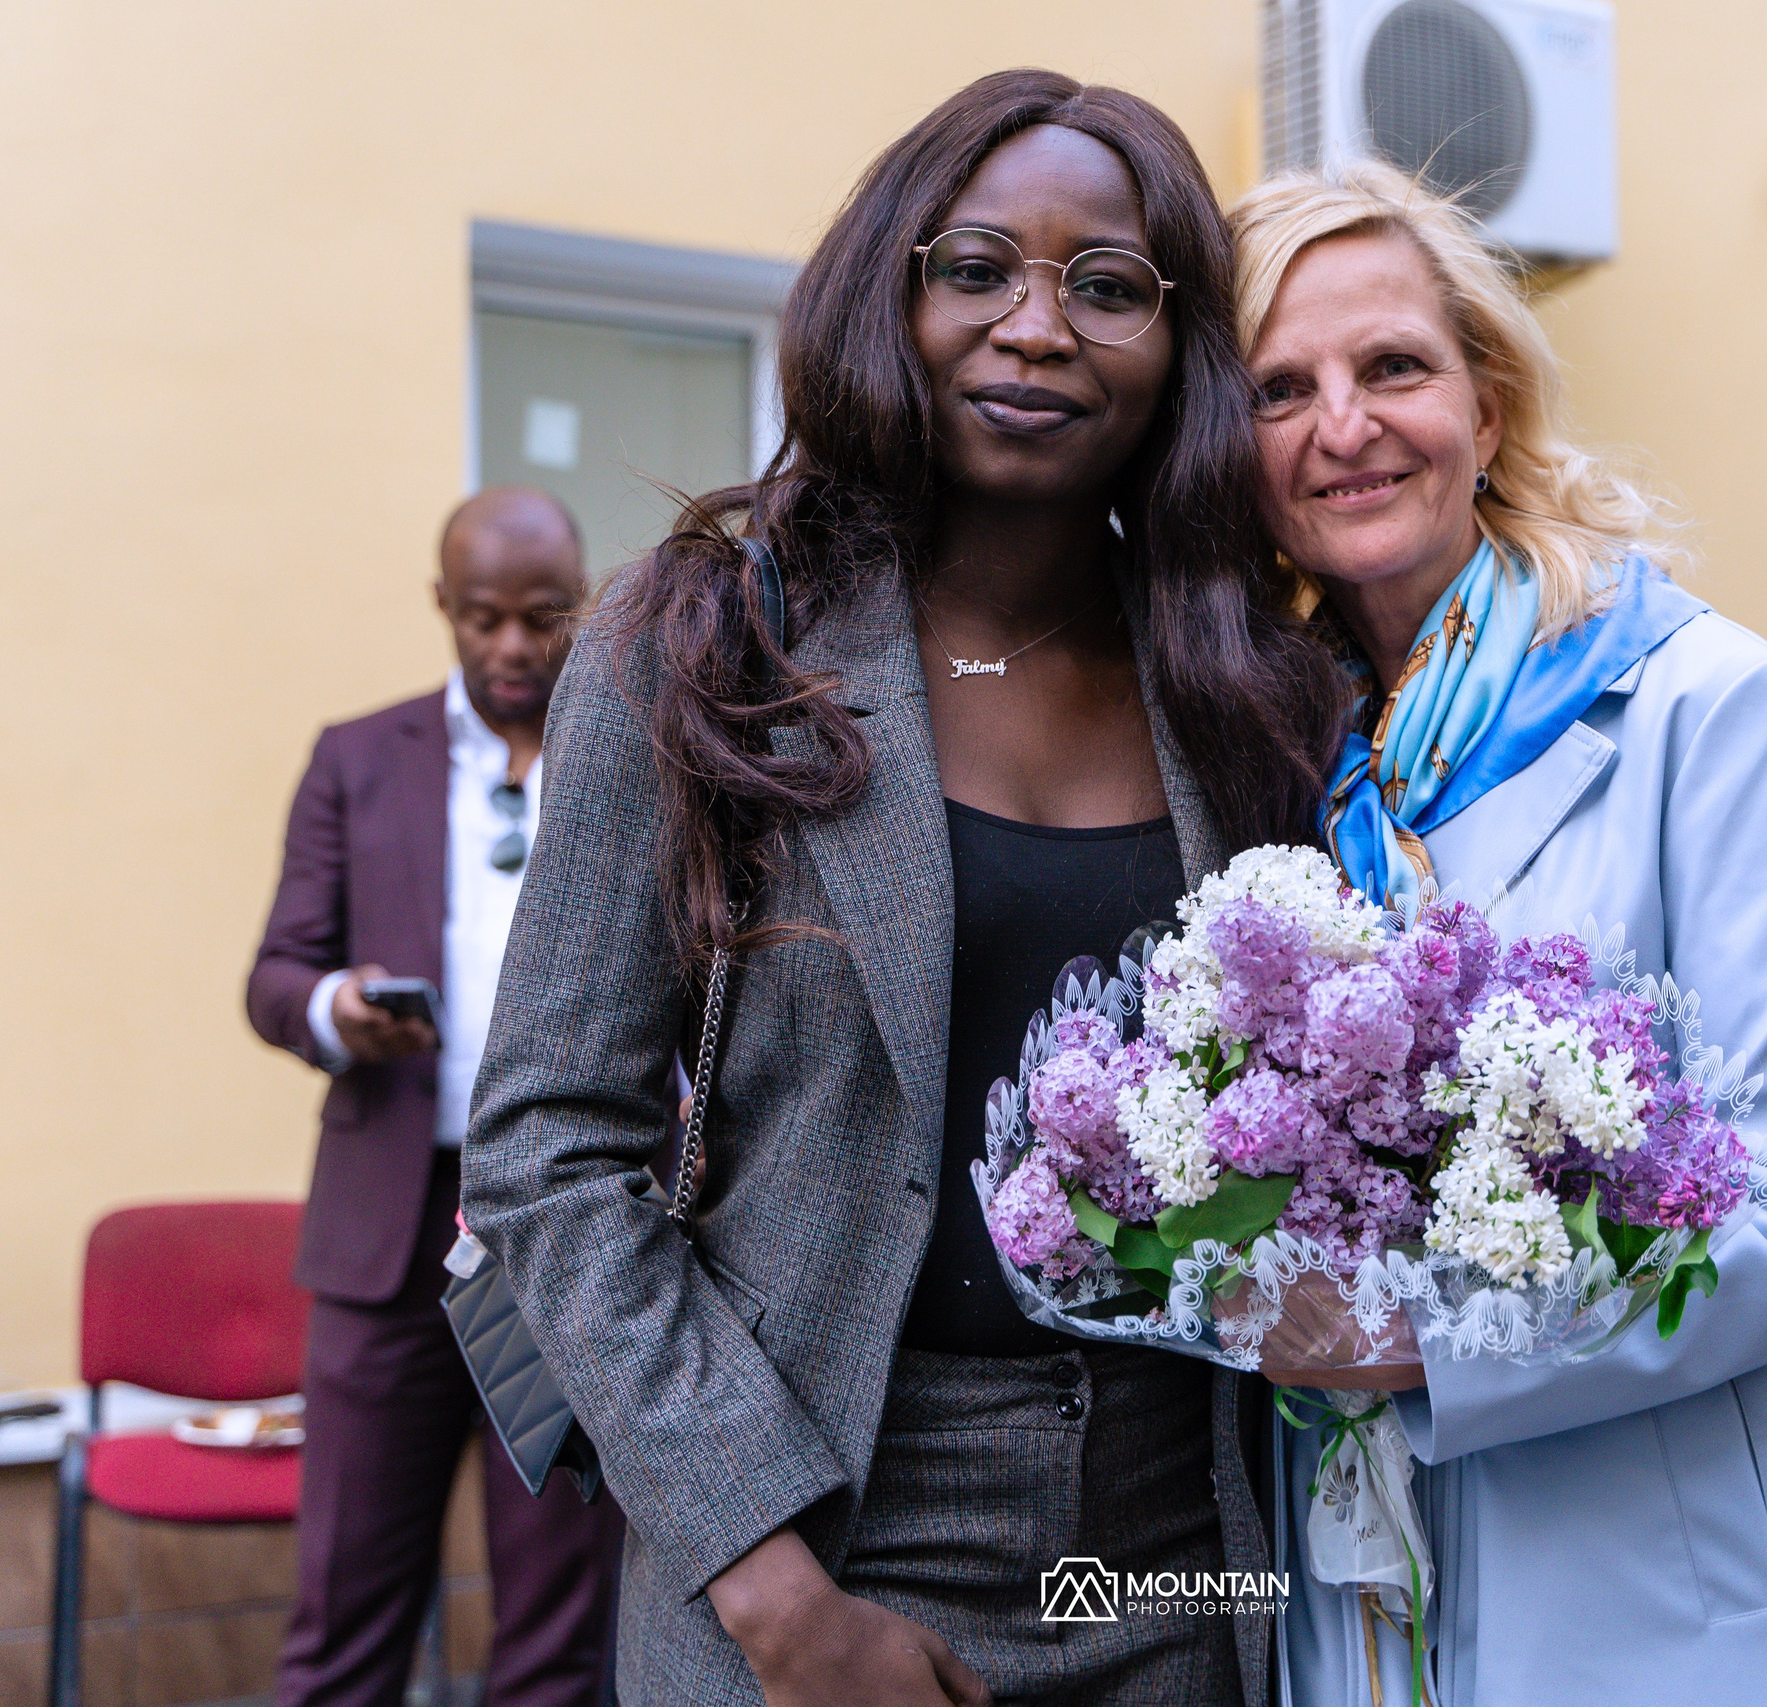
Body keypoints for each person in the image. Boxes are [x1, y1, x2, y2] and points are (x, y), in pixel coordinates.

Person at [460, 71, 1343, 1707]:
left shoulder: (1244, 686)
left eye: (1108, 286)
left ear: (1179, 353)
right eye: (978, 266)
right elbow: (545, 1153)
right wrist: (778, 1594)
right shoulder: (709, 641)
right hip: (814, 1532)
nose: (1037, 324)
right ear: (894, 287)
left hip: (1177, 1549)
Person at [1229, 162, 1767, 1705]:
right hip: (1380, 1577)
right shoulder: (1281, 766)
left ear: (1487, 407)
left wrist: (1427, 1343)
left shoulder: (1704, 702)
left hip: (1696, 1598)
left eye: (1394, 367)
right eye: (1279, 387)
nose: (1341, 425)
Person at [246, 487, 620, 1707]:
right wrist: (336, 1009)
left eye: (543, 619)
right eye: (482, 620)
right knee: (348, 1614)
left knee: (557, 1621)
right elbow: (275, 974)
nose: (512, 648)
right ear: (442, 609)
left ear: (583, 607)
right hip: (389, 1242)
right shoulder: (358, 759)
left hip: (555, 1236)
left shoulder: (631, 751)